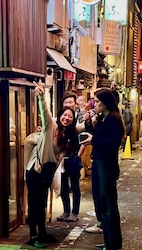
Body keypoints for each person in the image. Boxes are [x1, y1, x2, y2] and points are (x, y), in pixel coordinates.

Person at [25, 81, 78, 248]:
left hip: (46, 173)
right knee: (34, 204)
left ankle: (42, 232)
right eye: (65, 115)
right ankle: (33, 236)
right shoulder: (51, 126)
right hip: (35, 170)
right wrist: (41, 95)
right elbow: (44, 110)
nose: (67, 118)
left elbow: (59, 158)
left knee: (42, 204)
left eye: (70, 117)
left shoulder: (67, 137)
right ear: (60, 114)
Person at [81, 88, 125, 250]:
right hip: (100, 164)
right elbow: (98, 135)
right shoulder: (105, 117)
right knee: (102, 202)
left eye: (98, 101)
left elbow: (113, 143)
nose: (95, 104)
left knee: (108, 204)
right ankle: (108, 241)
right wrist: (89, 123)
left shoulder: (113, 118)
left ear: (106, 103)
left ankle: (113, 243)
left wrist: (94, 140)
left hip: (107, 166)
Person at [57, 91, 85, 222]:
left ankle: (75, 213)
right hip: (61, 161)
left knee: (75, 187)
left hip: (73, 159)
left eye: (71, 102)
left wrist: (78, 156)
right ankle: (66, 211)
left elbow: (85, 136)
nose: (68, 104)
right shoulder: (59, 125)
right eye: (66, 102)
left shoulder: (76, 125)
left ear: (75, 104)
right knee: (63, 187)